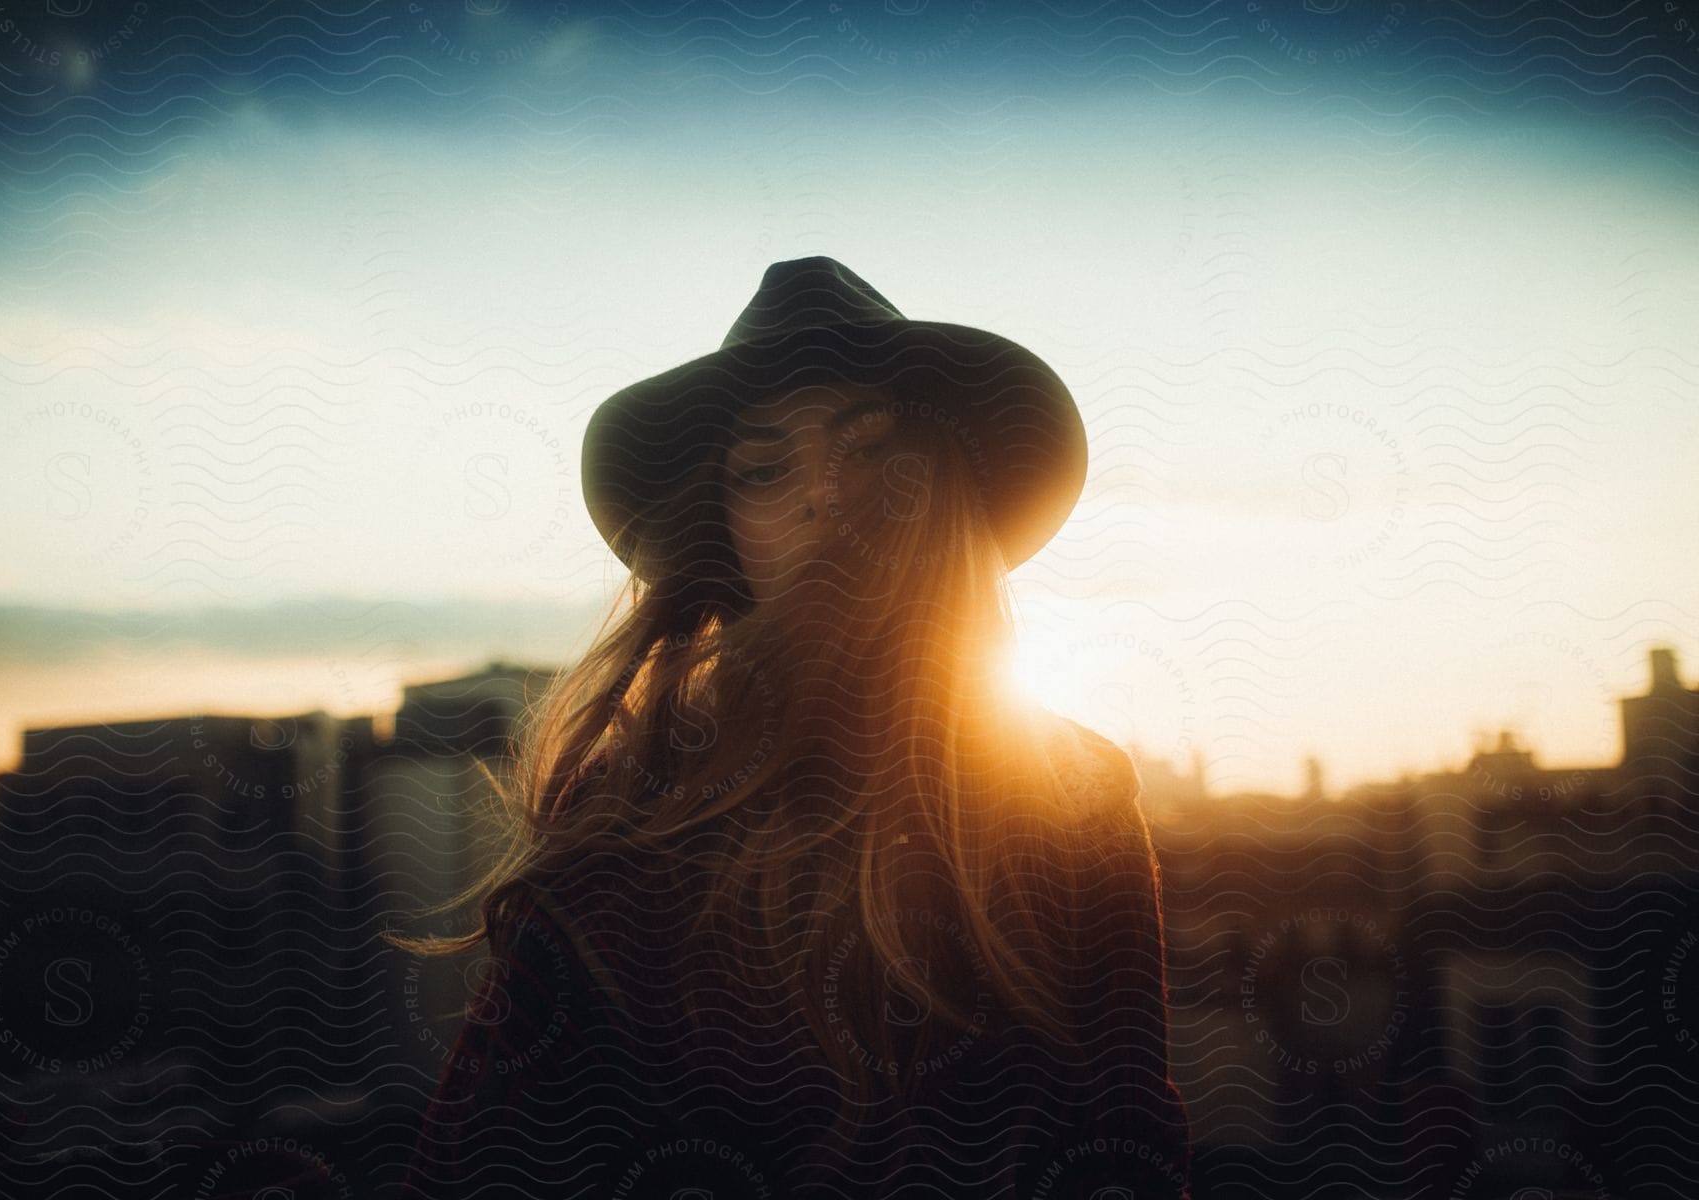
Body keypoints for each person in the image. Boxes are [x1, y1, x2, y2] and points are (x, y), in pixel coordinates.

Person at [393, 256, 1193, 1198]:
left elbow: (1128, 1150)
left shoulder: (1076, 796)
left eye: (869, 450)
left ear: (938, 490)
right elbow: (482, 1163)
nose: (822, 498)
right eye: (765, 470)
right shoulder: (631, 809)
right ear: (725, 534)